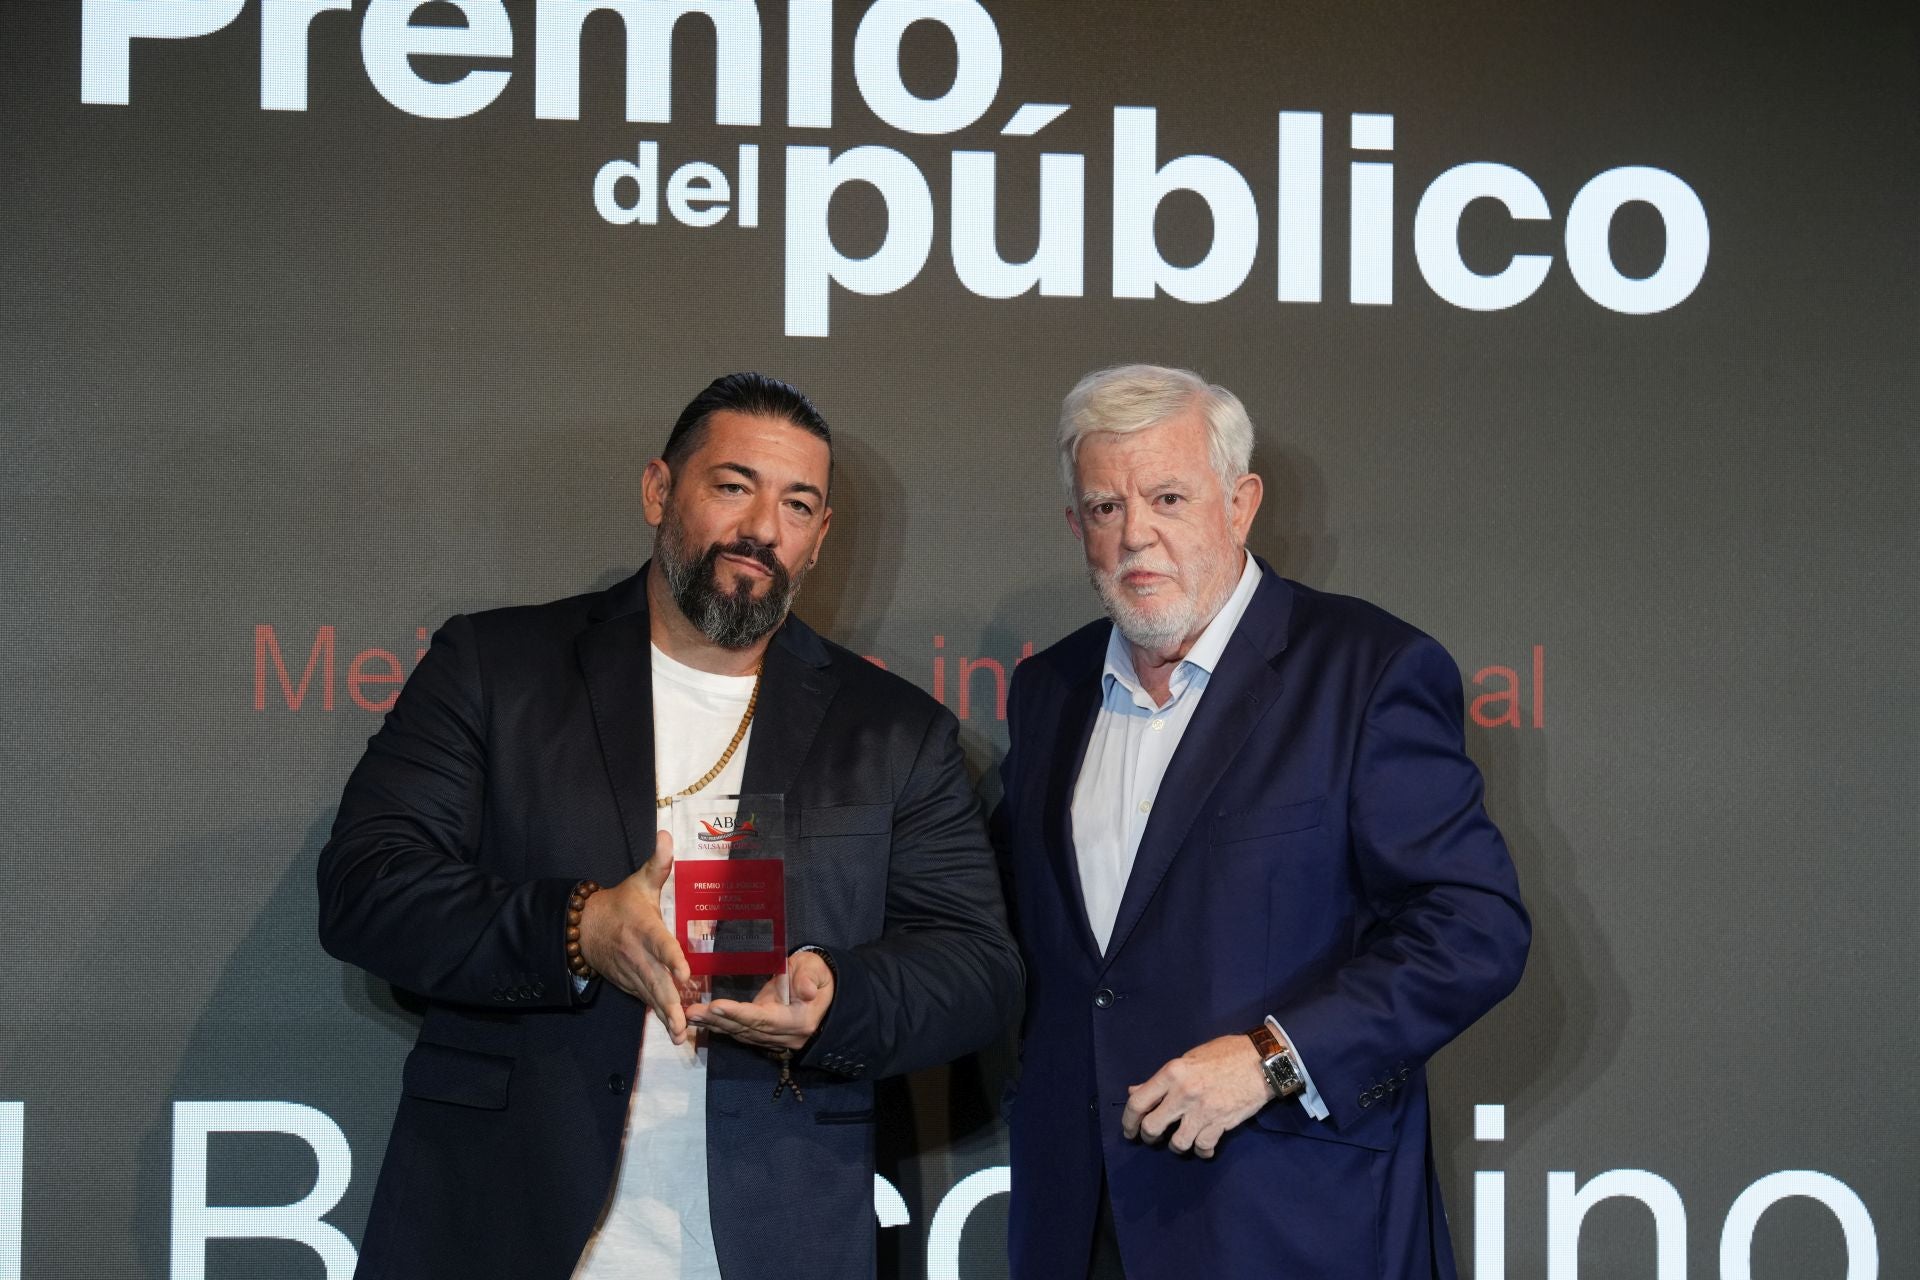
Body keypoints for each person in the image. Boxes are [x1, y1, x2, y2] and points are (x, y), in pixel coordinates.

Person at [317, 372, 1022, 1280]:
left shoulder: (892, 731)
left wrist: (838, 996)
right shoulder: (497, 669)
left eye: (797, 504)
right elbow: (367, 887)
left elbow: (976, 968)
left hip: (773, 1233)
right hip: (505, 1220)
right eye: (734, 486)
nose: (762, 527)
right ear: (659, 489)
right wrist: (577, 928)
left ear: (819, 539)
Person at [995, 364, 1530, 1279]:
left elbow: (1474, 928)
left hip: (1287, 1221)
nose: (1136, 535)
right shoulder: (1050, 690)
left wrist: (1273, 1059)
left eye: (1167, 496)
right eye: (1103, 507)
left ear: (1240, 504)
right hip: (1079, 1227)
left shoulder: (1367, 670)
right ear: (1074, 526)